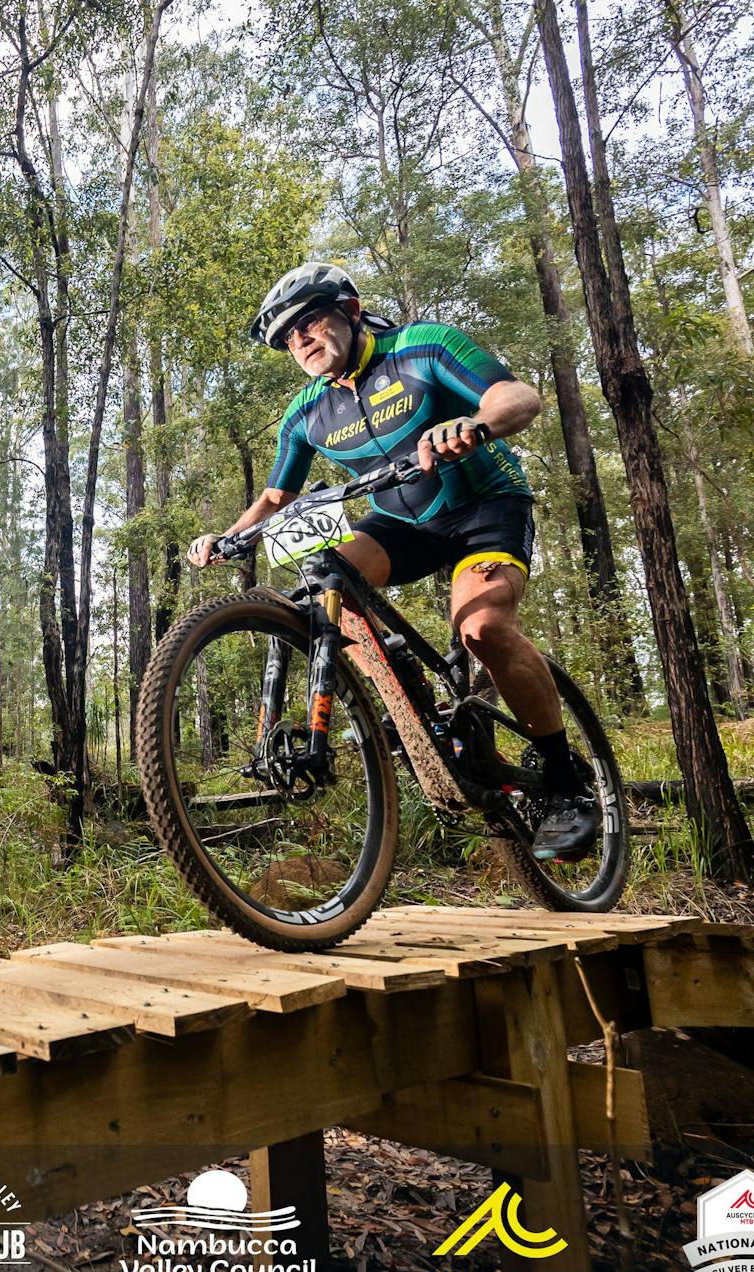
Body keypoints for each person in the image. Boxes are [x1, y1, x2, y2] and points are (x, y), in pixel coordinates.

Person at [186, 262, 601, 860]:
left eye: (309, 323)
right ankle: (407, 691)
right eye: (287, 339)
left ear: (351, 312)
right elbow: (278, 496)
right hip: (402, 523)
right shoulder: (306, 413)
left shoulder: (422, 348)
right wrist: (225, 538)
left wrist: (476, 424)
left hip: (484, 506)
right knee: (326, 578)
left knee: (482, 628)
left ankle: (565, 781)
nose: (300, 342)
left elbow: (519, 396)